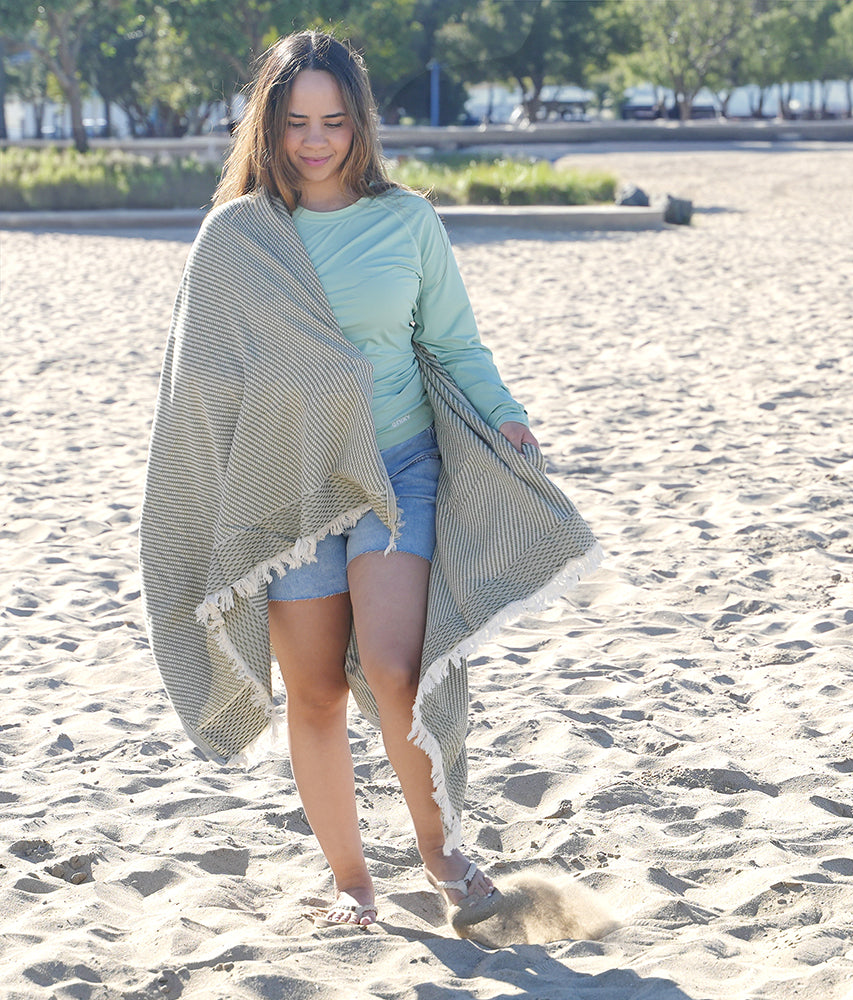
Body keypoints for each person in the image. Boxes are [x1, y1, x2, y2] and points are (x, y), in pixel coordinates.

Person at [139, 30, 599, 933]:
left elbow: (455, 341)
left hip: (399, 468)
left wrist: (504, 412)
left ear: (361, 125)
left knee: (395, 668)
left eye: (334, 122)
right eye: (297, 122)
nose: (316, 141)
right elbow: (200, 379)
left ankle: (445, 857)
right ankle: (352, 883)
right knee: (313, 692)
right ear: (267, 126)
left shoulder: (407, 221)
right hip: (290, 488)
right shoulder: (236, 238)